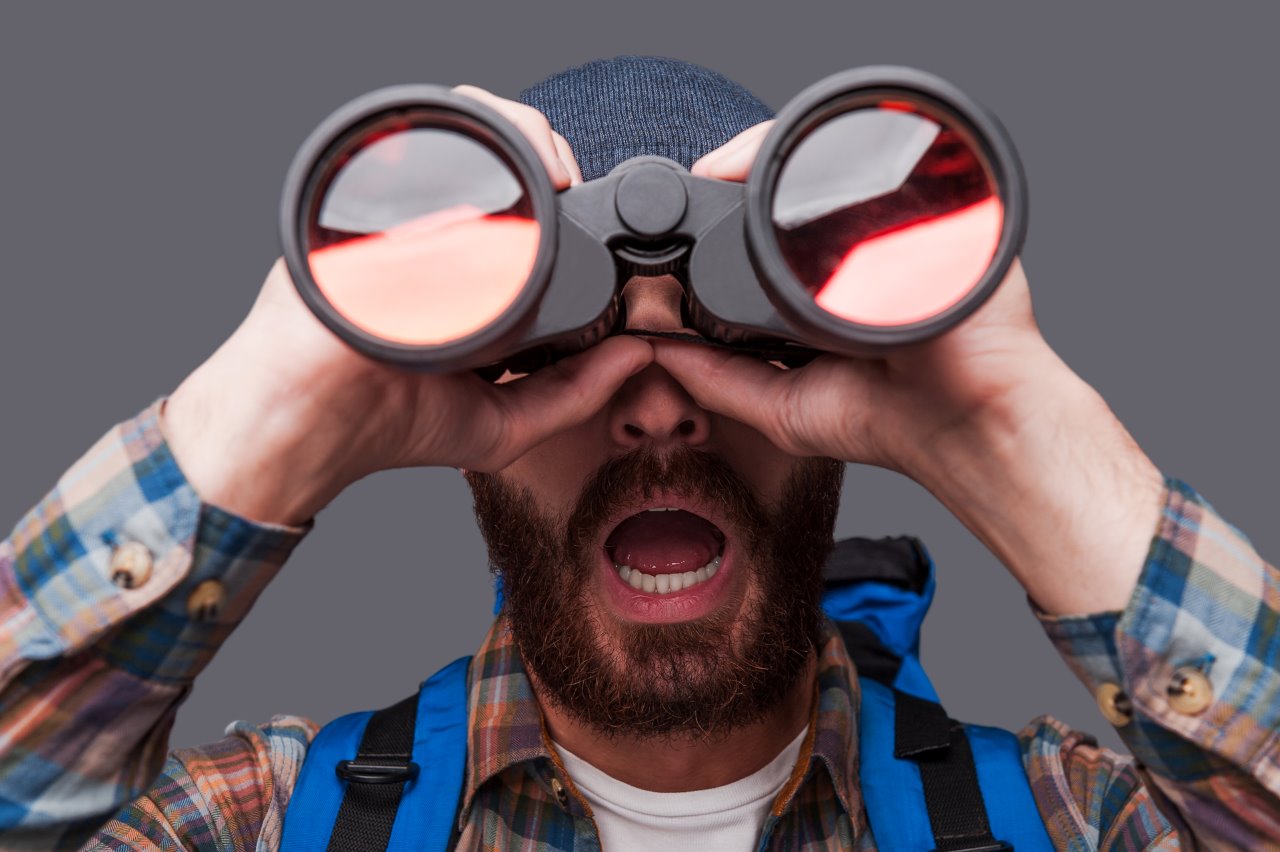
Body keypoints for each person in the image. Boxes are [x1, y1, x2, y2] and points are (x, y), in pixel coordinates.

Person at [1, 55, 1276, 851]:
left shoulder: (1072, 825)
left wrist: (1015, 430)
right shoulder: (266, 825)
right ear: (460, 392)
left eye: (743, 348)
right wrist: (261, 423)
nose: (660, 412)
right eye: (564, 349)